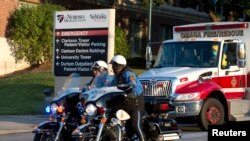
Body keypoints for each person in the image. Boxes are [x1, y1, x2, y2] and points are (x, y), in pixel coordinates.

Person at [110, 54, 145, 141]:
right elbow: (110, 87)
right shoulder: (117, 77)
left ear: (119, 65)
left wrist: (133, 93)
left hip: (135, 104)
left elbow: (136, 86)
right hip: (124, 104)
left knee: (135, 126)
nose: (113, 67)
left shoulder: (128, 74)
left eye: (114, 65)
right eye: (113, 65)